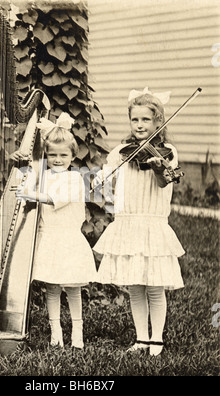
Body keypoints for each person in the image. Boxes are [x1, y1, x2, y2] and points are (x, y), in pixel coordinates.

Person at [93, 88, 185, 356]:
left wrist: (159, 169)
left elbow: (163, 181)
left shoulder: (167, 152)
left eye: (146, 120)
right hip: (128, 222)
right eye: (135, 120)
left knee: (154, 286)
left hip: (152, 223)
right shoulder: (123, 151)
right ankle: (141, 338)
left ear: (158, 122)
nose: (140, 125)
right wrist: (101, 179)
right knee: (135, 286)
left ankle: (157, 339)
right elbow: (104, 178)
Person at [16, 112, 96, 349]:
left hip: (68, 240)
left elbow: (54, 199)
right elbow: (24, 183)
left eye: (63, 155)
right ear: (46, 155)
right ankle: (56, 333)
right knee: (51, 287)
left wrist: (33, 194)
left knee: (72, 287)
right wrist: (22, 162)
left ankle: (78, 334)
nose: (58, 159)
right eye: (52, 155)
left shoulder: (75, 179)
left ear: (72, 155)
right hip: (49, 239)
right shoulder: (42, 175)